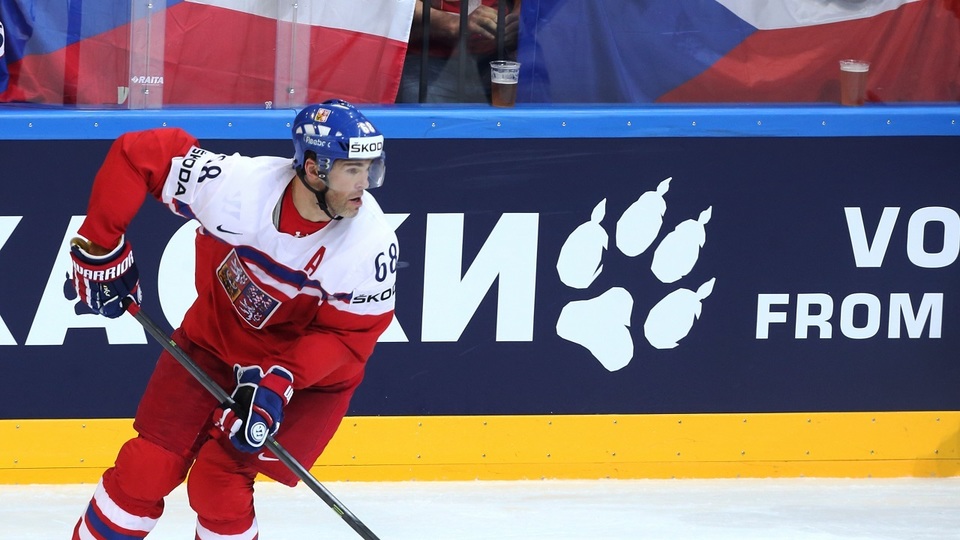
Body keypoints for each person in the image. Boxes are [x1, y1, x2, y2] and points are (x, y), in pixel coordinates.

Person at [68, 99, 398, 539]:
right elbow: (137, 154)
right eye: (351, 170)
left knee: (217, 484)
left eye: (370, 169)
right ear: (313, 168)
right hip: (213, 344)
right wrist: (99, 245)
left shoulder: (370, 243)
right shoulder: (238, 188)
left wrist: (279, 383)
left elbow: (349, 338)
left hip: (303, 379)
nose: (364, 185)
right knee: (145, 468)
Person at [396, 0, 520, 103]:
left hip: (495, 59)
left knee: (512, 118)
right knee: (427, 118)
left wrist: (517, 20)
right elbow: (395, 4)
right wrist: (450, 22)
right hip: (428, 59)